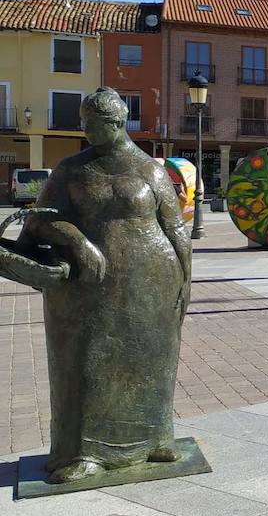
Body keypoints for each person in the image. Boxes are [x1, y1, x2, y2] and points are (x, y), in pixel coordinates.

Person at [9, 88, 191, 483]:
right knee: (88, 361)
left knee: (152, 357)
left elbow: (175, 228)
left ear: (117, 124)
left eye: (93, 124)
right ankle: (84, 453)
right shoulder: (70, 169)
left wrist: (185, 284)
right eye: (84, 123)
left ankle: (156, 438)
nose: (85, 130)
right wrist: (78, 240)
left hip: (152, 278)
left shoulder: (150, 170)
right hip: (88, 284)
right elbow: (38, 222)